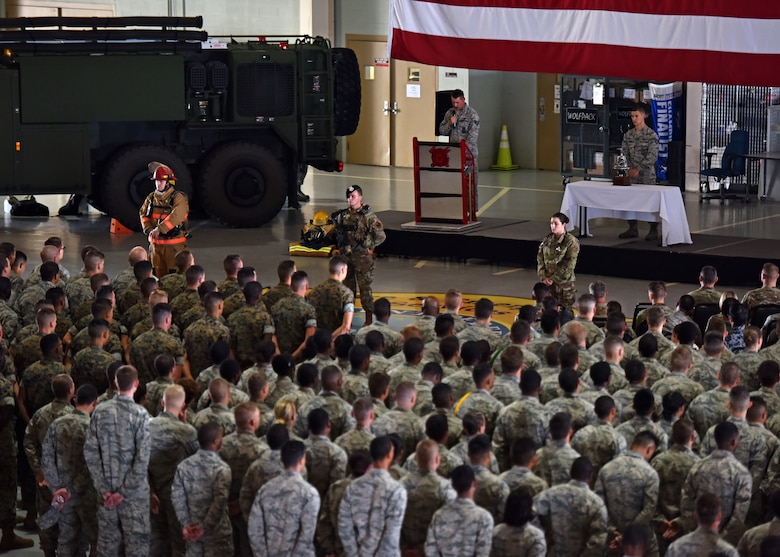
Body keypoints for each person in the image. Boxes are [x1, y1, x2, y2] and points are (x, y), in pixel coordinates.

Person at [83, 365, 151, 557]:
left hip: (105, 495)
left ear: (115, 383)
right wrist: (124, 492)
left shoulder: (100, 411)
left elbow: (90, 452)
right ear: (136, 384)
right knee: (136, 548)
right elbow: (142, 458)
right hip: (134, 496)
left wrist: (103, 488)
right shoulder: (140, 415)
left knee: (107, 548)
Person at [248, 440, 320, 557]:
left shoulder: (265, 489)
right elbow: (307, 535)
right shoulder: (310, 494)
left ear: (281, 459)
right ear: (302, 461)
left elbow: (254, 529)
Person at [171, 421, 233, 556]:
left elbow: (177, 498)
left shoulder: (183, 466)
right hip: (216, 537)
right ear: (216, 441)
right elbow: (219, 502)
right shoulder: (222, 469)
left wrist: (186, 525)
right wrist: (204, 527)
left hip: (192, 534)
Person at [331, 184, 386, 326]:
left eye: (353, 196)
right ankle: (346, 318)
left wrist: (369, 246)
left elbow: (381, 236)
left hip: (362, 258)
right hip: (346, 258)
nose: (350, 199)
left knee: (365, 290)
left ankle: (368, 319)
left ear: (360, 197)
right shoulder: (342, 216)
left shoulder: (368, 217)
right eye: (348, 196)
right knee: (347, 290)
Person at [424, 464, 493, 557]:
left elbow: (430, 550)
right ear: (474, 483)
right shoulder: (484, 518)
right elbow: (483, 553)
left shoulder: (439, 515)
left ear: (452, 485)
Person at [139, 161, 189, 277]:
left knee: (174, 276)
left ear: (168, 182)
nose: (158, 184)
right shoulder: (151, 198)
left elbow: (177, 215)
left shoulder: (177, 198)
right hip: (156, 247)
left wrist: (159, 229)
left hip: (173, 247)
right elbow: (143, 213)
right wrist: (148, 229)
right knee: (156, 275)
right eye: (156, 181)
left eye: (161, 181)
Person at [619, 103, 660, 241]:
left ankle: (653, 229)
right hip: (631, 175)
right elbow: (624, 153)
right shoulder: (628, 135)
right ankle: (632, 228)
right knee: (630, 202)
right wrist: (629, 169)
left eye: (637, 116)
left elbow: (652, 156)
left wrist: (639, 169)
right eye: (632, 116)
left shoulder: (651, 135)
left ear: (644, 116)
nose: (634, 119)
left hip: (647, 175)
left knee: (650, 203)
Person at [438, 88, 480, 189]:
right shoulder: (450, 113)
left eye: (457, 102)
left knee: (470, 186)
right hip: (453, 155)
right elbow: (441, 131)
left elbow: (472, 139)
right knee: (454, 185)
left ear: (463, 99)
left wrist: (463, 153)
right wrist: (449, 123)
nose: (455, 105)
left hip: (468, 156)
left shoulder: (472, 115)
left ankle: (471, 205)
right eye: (453, 102)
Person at [537, 212, 580, 311]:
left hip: (564, 285)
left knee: (565, 311)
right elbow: (540, 258)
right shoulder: (548, 239)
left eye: (556, 223)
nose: (553, 226)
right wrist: (543, 276)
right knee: (548, 310)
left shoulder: (571, 241)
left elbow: (570, 264)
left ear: (564, 224)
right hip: (549, 283)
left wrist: (552, 277)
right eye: (551, 223)